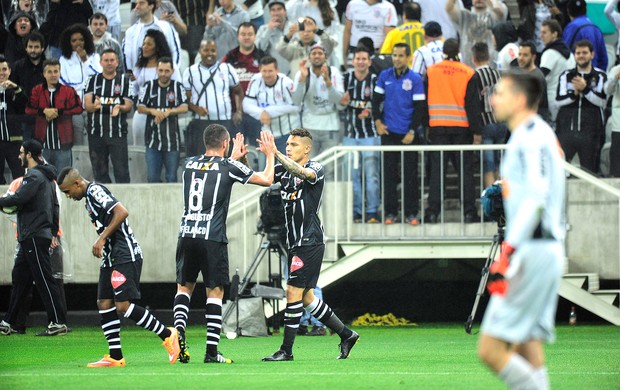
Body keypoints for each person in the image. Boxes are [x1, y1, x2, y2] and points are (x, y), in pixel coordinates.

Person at [478, 69, 566, 390]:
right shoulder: (537, 133)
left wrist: (510, 250)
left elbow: (538, 196)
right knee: (526, 343)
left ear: (519, 98)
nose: (493, 98)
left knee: (489, 349)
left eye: (500, 92)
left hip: (532, 249)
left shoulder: (529, 137)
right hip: (545, 248)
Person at [57, 166, 181, 367]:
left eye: (68, 192)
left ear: (77, 183)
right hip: (111, 258)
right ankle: (115, 356)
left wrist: (101, 238)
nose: (68, 196)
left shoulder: (95, 191)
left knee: (122, 305)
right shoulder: (87, 198)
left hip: (125, 254)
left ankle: (168, 335)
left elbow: (122, 212)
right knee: (104, 302)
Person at [172, 125, 276, 364]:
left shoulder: (188, 164)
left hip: (187, 233)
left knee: (183, 288)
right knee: (215, 292)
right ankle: (211, 352)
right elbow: (267, 179)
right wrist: (270, 153)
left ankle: (178, 338)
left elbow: (212, 171)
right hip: (212, 236)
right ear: (225, 143)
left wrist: (232, 159)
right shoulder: (229, 167)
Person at [261, 128, 359, 362]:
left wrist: (275, 153)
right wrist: (240, 160)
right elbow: (262, 178)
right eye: (286, 144)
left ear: (307, 148)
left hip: (310, 240)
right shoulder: (283, 170)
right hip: (295, 242)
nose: (288, 147)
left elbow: (302, 173)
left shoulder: (316, 168)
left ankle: (286, 350)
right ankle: (347, 334)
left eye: (294, 144)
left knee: (292, 291)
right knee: (306, 298)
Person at [0, 139, 68, 337]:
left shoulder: (34, 177)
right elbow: (55, 206)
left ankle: (57, 321)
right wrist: (53, 231)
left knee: (44, 279)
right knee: (20, 279)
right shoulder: (47, 178)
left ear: (29, 154)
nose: (19, 156)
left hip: (33, 235)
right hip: (36, 235)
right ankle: (9, 321)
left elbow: (19, 198)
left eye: (21, 152)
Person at [424, 38, 482, 223]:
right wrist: (476, 131)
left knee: (437, 172)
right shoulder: (468, 72)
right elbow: (473, 105)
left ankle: (433, 212)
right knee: (465, 172)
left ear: (443, 51)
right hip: (461, 128)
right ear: (458, 51)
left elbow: (425, 100)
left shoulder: (431, 71)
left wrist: (426, 125)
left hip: (438, 127)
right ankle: (469, 212)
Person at [372, 42, 424, 225]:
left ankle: (411, 214)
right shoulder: (384, 75)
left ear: (408, 57)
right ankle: (390, 213)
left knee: (410, 176)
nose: (397, 59)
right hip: (389, 133)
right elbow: (375, 100)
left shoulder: (416, 79)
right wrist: (378, 122)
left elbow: (420, 109)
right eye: (394, 55)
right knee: (389, 175)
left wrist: (412, 131)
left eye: (401, 55)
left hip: (409, 135)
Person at [339, 47, 381, 223]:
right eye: (358, 58)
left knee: (372, 175)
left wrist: (371, 113)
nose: (361, 61)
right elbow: (337, 104)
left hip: (370, 135)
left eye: (364, 58)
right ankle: (356, 211)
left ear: (369, 62)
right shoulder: (344, 80)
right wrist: (342, 103)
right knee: (352, 176)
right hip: (349, 135)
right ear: (353, 61)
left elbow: (382, 105)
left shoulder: (375, 80)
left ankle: (372, 211)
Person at [182, 39, 244, 157]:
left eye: (213, 50)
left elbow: (239, 91)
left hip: (224, 121)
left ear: (217, 51)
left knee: (226, 158)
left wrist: (238, 111)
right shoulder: (190, 71)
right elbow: (185, 100)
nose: (209, 53)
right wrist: (195, 109)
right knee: (203, 157)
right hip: (201, 123)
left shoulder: (227, 69)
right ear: (200, 51)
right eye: (206, 50)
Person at [555, 40, 607, 174]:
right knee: (560, 169)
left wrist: (585, 89)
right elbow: (558, 101)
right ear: (574, 55)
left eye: (585, 52)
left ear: (592, 54)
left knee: (590, 171)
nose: (581, 56)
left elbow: (602, 101)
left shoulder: (600, 75)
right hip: (566, 130)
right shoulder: (566, 75)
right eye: (578, 53)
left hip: (592, 132)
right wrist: (575, 94)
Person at [83, 49, 133, 184]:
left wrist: (120, 108)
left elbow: (128, 105)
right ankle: (105, 202)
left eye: (112, 60)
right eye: (106, 60)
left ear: (117, 62)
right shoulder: (91, 80)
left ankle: (123, 202)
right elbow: (87, 106)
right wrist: (94, 106)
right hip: (96, 133)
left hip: (117, 133)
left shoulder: (125, 81)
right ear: (100, 62)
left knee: (122, 172)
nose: (109, 63)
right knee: (99, 172)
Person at [25, 58, 83, 170]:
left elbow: (79, 108)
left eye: (56, 71)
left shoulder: (69, 90)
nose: (53, 75)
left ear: (60, 72)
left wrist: (58, 112)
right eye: (49, 72)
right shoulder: (37, 90)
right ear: (44, 74)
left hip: (63, 145)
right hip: (43, 146)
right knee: (44, 179)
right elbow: (28, 109)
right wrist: (44, 111)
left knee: (63, 180)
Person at [137, 57, 188, 183]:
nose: (163, 74)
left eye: (166, 71)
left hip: (172, 142)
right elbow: (140, 107)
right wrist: (153, 111)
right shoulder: (149, 86)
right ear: (156, 70)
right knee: (152, 178)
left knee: (171, 178)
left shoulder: (177, 86)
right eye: (161, 70)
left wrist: (169, 112)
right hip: (152, 142)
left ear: (172, 71)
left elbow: (184, 107)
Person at [291, 44, 344, 158]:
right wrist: (302, 81)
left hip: (330, 126)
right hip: (309, 126)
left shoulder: (334, 72)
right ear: (309, 57)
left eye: (320, 53)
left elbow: (340, 102)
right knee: (308, 167)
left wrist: (328, 83)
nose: (317, 56)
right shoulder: (302, 73)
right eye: (314, 53)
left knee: (330, 168)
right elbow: (296, 101)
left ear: (325, 57)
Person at [131, 29, 180, 147]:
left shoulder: (170, 66)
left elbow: (177, 90)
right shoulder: (139, 67)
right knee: (140, 148)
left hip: (164, 115)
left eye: (149, 44)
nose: (144, 47)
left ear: (157, 47)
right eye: (143, 44)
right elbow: (134, 90)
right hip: (142, 115)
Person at [243, 56, 300, 153]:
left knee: (286, 167)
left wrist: (269, 111)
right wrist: (261, 113)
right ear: (260, 70)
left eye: (270, 71)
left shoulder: (286, 83)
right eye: (264, 71)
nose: (267, 74)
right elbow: (246, 105)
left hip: (287, 135)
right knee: (264, 167)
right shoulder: (255, 80)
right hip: (266, 136)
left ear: (277, 70)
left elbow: (296, 107)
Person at [222, 22, 265, 148]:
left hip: (257, 114)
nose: (246, 37)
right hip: (235, 114)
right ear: (238, 36)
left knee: (259, 149)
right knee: (235, 149)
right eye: (243, 34)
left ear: (255, 36)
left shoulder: (262, 56)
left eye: (250, 34)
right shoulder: (230, 57)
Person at [58, 23, 102, 146]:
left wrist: (85, 61)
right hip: (74, 108)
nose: (78, 43)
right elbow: (65, 84)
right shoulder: (63, 60)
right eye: (74, 40)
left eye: (81, 40)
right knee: (77, 142)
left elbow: (98, 77)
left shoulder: (94, 57)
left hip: (93, 106)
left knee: (95, 142)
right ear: (69, 42)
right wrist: (83, 86)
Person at [471, 42, 505, 189]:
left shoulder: (474, 76)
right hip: (501, 122)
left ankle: (491, 206)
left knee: (488, 164)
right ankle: (501, 200)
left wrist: (475, 130)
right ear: (488, 56)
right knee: (499, 162)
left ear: (473, 58)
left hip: (485, 123)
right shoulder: (498, 73)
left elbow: (474, 104)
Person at [123, 0, 181, 80]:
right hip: (138, 79)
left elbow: (175, 51)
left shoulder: (165, 27)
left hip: (164, 79)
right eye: (136, 4)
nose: (137, 7)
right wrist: (130, 76)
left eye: (141, 3)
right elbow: (127, 55)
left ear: (151, 6)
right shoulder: (130, 31)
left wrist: (171, 73)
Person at [446, 0, 506, 67]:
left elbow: (501, 14)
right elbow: (449, 9)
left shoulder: (492, 16)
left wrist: (489, 2)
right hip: (468, 66)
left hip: (489, 66)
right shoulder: (465, 16)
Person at [9, 31, 46, 142]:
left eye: (36, 47)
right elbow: (11, 91)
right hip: (23, 116)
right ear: (26, 48)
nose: (33, 50)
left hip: (43, 117)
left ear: (42, 48)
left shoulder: (48, 66)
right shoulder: (17, 66)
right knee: (25, 153)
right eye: (30, 47)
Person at [342, 0, 397, 69]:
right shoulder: (353, 4)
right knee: (352, 77)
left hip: (376, 52)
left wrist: (377, 56)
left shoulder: (388, 8)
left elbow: (390, 36)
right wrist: (344, 55)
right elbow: (347, 30)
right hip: (354, 51)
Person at [539, 19, 575, 124]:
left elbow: (541, 78)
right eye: (541, 32)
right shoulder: (570, 54)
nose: (541, 36)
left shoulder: (549, 53)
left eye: (544, 32)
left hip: (552, 99)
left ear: (555, 34)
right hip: (568, 98)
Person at [0, 56, 28, 185]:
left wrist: (15, 88)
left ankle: (21, 204)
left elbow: (24, 105)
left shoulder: (16, 91)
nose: (1, 72)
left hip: (14, 141)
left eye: (4, 69)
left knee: (20, 176)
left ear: (10, 71)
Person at [563, 0, 608, 72]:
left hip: (578, 75)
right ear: (586, 9)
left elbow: (565, 53)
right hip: (594, 75)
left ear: (568, 11)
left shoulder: (572, 27)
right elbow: (603, 57)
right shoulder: (595, 27)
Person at [256, 0, 291, 76]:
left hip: (293, 72)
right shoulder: (264, 29)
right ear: (269, 13)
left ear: (285, 11)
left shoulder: (293, 28)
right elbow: (259, 49)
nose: (276, 13)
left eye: (279, 9)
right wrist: (269, 30)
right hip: (274, 74)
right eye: (273, 10)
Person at [517, 41, 550, 122]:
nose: (521, 58)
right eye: (519, 54)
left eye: (525, 55)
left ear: (533, 57)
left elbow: (533, 106)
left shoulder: (536, 77)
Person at [606, 62, 620, 177]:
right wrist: (616, 77)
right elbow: (607, 90)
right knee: (617, 159)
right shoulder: (616, 70)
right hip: (618, 124)